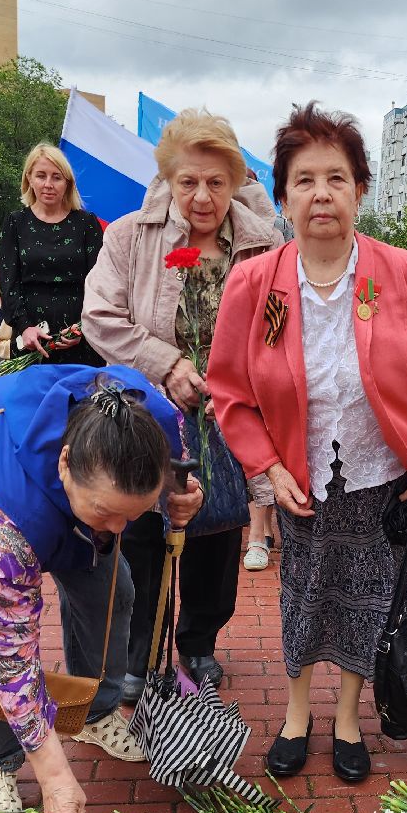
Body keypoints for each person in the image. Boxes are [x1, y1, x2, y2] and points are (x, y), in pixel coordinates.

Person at [209, 102, 407, 784]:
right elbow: (230, 392)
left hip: (381, 477)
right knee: (304, 596)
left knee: (368, 601)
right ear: (282, 196)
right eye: (305, 179)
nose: (322, 193)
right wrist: (266, 466)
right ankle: (295, 714)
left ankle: (347, 718)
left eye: (337, 178)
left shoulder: (401, 272)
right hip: (300, 480)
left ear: (360, 191)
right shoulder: (256, 282)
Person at [0, 364, 204, 813]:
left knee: (113, 594)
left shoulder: (152, 421)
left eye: (128, 515)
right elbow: (13, 657)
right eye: (106, 512)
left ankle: (95, 713)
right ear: (65, 462)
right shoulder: (1, 528)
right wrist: (53, 774)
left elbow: (174, 479)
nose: (118, 529)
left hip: (51, 497)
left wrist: (179, 501)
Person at [84, 109, 284, 697]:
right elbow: (99, 317)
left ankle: (198, 644)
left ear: (236, 182)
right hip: (147, 410)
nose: (202, 196)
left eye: (216, 182)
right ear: (168, 179)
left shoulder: (263, 244)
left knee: (217, 532)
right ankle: (142, 652)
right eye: (188, 182)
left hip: (226, 413)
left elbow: (280, 326)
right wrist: (166, 363)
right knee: (143, 534)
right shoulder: (128, 235)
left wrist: (242, 379)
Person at [0, 144, 104, 367]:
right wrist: (24, 326)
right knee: (34, 401)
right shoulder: (16, 223)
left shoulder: (87, 224)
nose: (48, 184)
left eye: (56, 177)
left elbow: (101, 282)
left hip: (82, 339)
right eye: (41, 176)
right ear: (29, 178)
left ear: (67, 182)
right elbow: (8, 282)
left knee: (82, 401)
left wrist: (83, 328)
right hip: (31, 341)